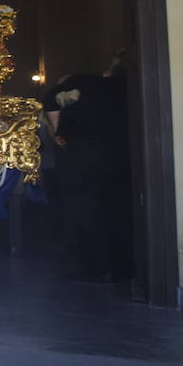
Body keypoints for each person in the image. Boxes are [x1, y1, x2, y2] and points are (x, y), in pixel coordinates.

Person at [42, 52, 130, 284]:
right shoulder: (131, 89)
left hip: (83, 158)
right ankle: (121, 267)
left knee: (85, 212)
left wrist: (58, 130)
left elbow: (50, 98)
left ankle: (96, 266)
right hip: (120, 158)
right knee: (116, 210)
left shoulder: (83, 83)